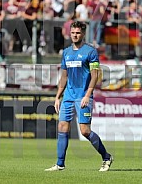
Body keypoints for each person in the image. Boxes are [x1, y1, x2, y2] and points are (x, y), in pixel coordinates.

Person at [45, 21, 113, 172]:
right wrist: (57, 97)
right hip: (68, 96)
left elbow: (95, 76)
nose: (75, 35)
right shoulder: (66, 52)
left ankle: (106, 157)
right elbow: (64, 76)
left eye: (78, 33)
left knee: (84, 131)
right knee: (62, 126)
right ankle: (60, 163)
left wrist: (88, 95)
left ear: (83, 34)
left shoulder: (91, 52)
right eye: (73, 33)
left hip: (83, 95)